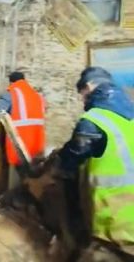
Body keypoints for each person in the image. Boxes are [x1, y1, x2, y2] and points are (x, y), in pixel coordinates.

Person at [53, 67, 134, 257]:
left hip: (117, 216)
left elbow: (73, 155)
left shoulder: (94, 119)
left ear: (88, 87)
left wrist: (58, 165)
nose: (83, 100)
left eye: (82, 95)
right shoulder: (129, 113)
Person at [0, 71, 46, 187]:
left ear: (11, 82)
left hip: (21, 144)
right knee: (31, 176)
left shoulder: (13, 93)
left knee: (18, 180)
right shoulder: (36, 96)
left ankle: (16, 197)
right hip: (36, 144)